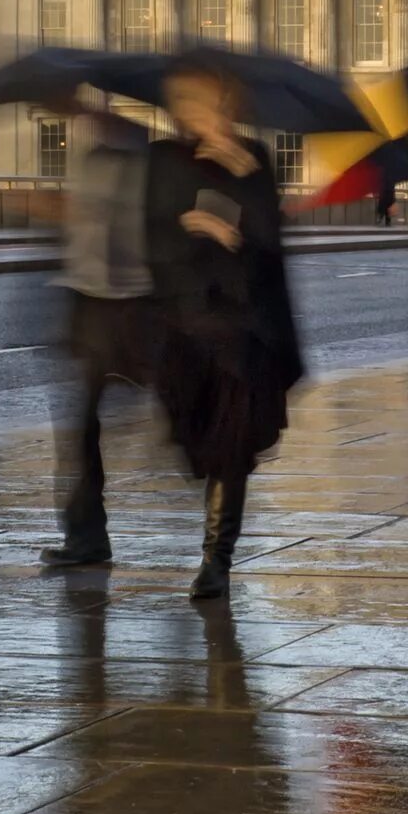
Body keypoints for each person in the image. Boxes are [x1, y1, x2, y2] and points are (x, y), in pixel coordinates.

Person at [143, 58, 303, 599]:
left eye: (207, 102)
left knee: (231, 450)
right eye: (187, 102)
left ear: (227, 106)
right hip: (186, 327)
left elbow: (267, 238)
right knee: (197, 441)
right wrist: (194, 224)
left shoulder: (254, 158)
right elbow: (150, 233)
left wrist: (241, 173)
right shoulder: (164, 158)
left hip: (242, 330)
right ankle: (214, 536)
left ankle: (216, 560)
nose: (197, 113)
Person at [39, 102, 157, 569]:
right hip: (87, 303)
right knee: (79, 429)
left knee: (174, 419)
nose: (92, 121)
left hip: (136, 304)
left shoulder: (149, 165)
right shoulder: (90, 160)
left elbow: (131, 235)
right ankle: (85, 537)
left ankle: (215, 529)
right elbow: (85, 236)